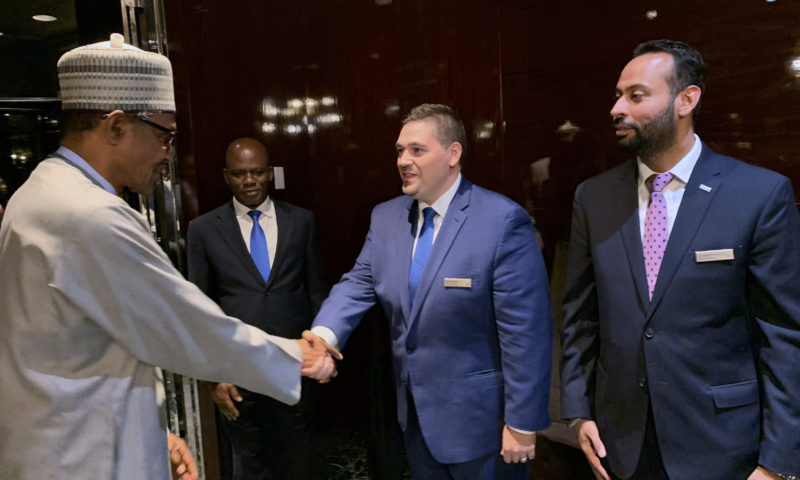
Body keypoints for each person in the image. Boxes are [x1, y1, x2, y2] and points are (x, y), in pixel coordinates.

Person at [0, 33, 337, 480]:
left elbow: (86, 346)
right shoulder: (87, 214)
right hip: (83, 455)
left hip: (75, 435)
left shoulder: (43, 191)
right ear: (117, 127)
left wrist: (154, 431)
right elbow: (184, 324)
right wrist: (297, 355)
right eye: (164, 135)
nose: (168, 154)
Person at [560, 39, 800, 480]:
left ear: (686, 100)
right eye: (618, 95)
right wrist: (577, 412)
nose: (617, 108)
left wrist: (779, 463)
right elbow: (581, 317)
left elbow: (784, 335)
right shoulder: (594, 198)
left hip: (725, 446)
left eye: (636, 95)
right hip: (621, 444)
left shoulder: (758, 195)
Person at [307, 103, 553, 480]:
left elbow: (527, 334)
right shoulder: (386, 217)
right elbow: (358, 283)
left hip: (483, 428)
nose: (404, 160)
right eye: (399, 151)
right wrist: (323, 336)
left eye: (417, 150)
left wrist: (523, 423)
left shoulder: (502, 221)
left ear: (453, 154)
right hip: (416, 420)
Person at [187, 137, 327, 480]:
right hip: (238, 375)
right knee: (249, 466)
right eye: (239, 174)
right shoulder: (203, 230)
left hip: (294, 370)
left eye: (257, 172)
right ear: (226, 177)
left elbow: (317, 293)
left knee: (299, 464)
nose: (249, 181)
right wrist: (213, 377)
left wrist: (320, 353)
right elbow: (199, 311)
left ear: (269, 172)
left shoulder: (302, 221)